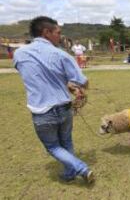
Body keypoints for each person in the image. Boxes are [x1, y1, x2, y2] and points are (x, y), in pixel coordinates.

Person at [13, 16, 94, 183]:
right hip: (64, 108)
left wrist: (66, 85)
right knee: (65, 142)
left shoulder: (19, 53)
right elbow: (83, 81)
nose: (60, 36)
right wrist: (78, 88)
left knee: (53, 146)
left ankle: (78, 169)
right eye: (58, 32)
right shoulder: (61, 55)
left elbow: (37, 76)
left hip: (42, 112)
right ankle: (74, 170)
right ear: (46, 32)